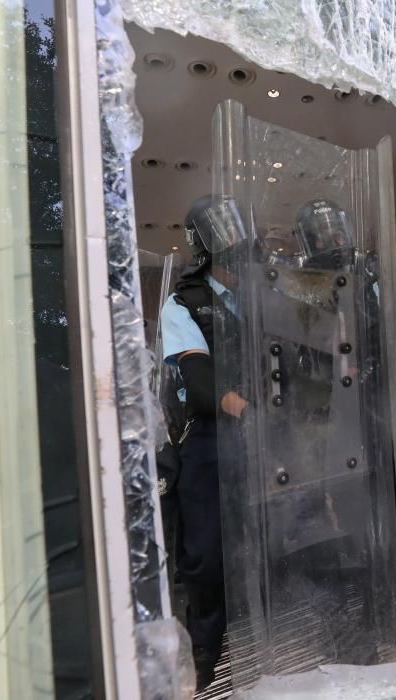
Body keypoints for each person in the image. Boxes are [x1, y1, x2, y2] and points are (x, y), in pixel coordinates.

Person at [159, 194, 248, 688]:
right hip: (213, 436)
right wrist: (249, 411)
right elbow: (199, 380)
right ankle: (205, 653)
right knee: (207, 553)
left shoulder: (260, 295)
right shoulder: (183, 303)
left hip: (267, 430)